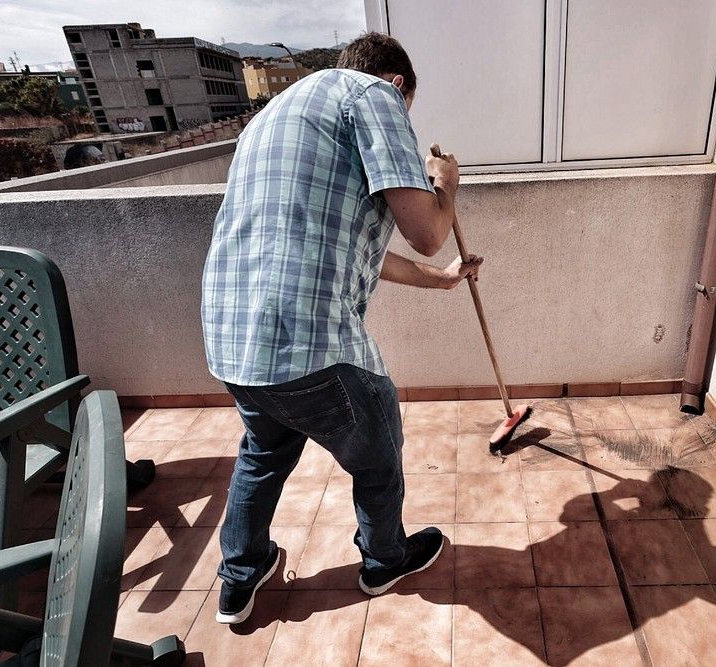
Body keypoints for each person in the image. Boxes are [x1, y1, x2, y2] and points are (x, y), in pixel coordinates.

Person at [201, 32, 482, 625]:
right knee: (377, 451)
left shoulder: (273, 116)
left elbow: (366, 252)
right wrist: (446, 184)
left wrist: (445, 279)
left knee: (263, 451)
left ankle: (238, 577)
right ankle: (385, 559)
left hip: (232, 341)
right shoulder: (373, 96)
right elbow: (427, 229)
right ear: (398, 85)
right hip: (308, 341)